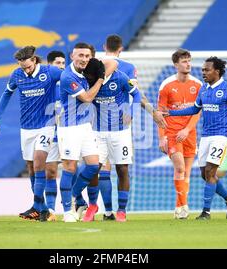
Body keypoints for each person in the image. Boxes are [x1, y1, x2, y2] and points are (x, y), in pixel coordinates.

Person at [165, 56, 227, 220]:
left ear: (217, 71)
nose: (203, 72)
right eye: (202, 70)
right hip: (206, 136)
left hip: (222, 135)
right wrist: (171, 113)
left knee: (210, 171)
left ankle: (206, 212)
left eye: (206, 70)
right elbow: (194, 109)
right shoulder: (204, 89)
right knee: (205, 174)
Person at [89, 34, 167, 221]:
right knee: (121, 168)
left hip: (95, 123)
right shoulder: (129, 67)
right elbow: (137, 95)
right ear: (121, 49)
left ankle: (107, 212)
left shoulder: (93, 64)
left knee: (101, 170)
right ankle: (120, 211)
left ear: (103, 46)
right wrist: (152, 112)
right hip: (121, 123)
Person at [0, 46, 62, 222]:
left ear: (35, 60)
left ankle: (37, 206)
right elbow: (6, 94)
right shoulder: (17, 74)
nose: (26, 70)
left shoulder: (50, 72)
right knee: (31, 167)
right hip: (26, 128)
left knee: (39, 164)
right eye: (23, 67)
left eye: (28, 66)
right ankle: (42, 208)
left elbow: (70, 80)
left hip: (46, 126)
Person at [82, 61, 142, 222]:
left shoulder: (121, 78)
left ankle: (121, 210)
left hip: (120, 132)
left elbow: (136, 94)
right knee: (92, 169)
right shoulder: (89, 81)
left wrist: (132, 111)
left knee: (122, 169)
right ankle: (92, 206)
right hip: (98, 132)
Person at [57, 42, 106, 222]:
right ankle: (67, 211)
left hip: (85, 127)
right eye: (80, 56)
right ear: (72, 56)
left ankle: (72, 196)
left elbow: (111, 64)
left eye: (87, 56)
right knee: (70, 167)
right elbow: (86, 98)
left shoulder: (86, 72)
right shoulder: (68, 76)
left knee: (94, 165)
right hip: (69, 128)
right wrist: (100, 80)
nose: (84, 59)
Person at [157, 49, 202, 219]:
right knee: (180, 168)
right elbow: (160, 113)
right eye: (184, 61)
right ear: (176, 65)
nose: (188, 64)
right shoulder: (166, 86)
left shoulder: (197, 85)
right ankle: (184, 206)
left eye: (189, 60)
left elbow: (197, 112)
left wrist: (187, 129)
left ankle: (179, 207)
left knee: (187, 173)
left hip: (189, 133)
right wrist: (161, 137)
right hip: (172, 132)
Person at [42, 50, 66, 219]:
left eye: (64, 64)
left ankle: (73, 204)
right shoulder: (44, 85)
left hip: (68, 132)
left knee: (71, 169)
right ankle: (50, 210)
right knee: (50, 171)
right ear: (49, 65)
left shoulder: (68, 84)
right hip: (51, 133)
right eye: (58, 63)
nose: (62, 67)